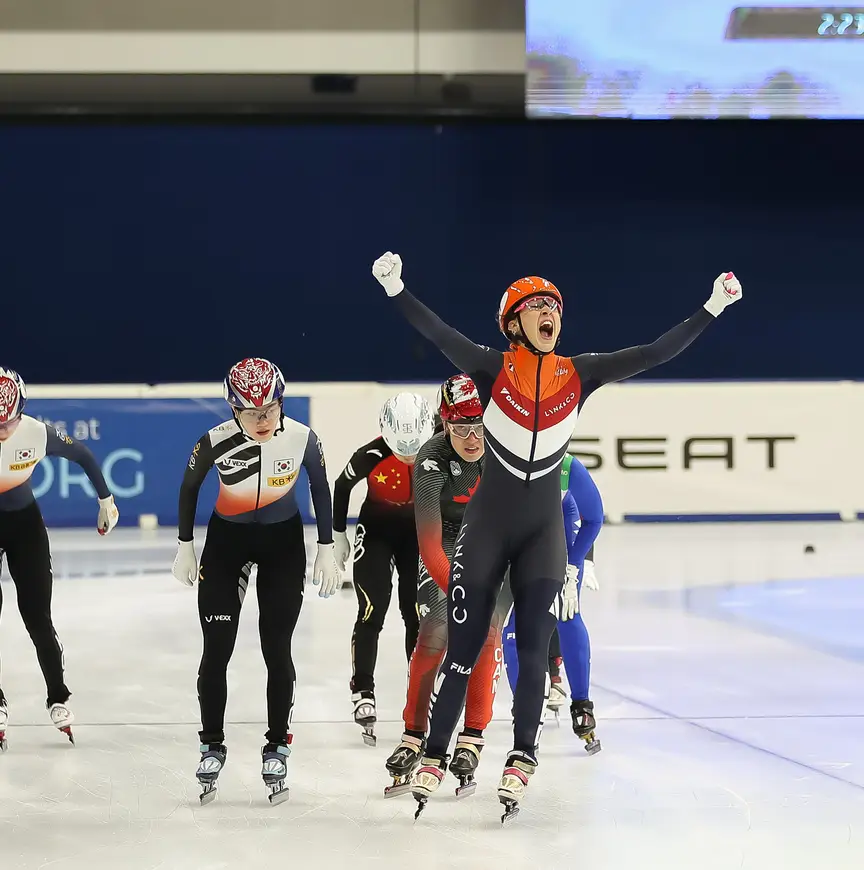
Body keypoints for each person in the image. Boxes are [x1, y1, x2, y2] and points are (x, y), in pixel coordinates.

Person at [371, 251, 742, 821]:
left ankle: (522, 753)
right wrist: (397, 289)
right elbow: (438, 332)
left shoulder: (581, 373)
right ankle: (436, 752)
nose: (550, 313)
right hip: (488, 528)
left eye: (555, 306)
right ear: (514, 322)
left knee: (534, 647)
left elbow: (654, 352)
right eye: (537, 306)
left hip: (542, 532)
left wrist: (712, 307)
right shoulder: (490, 368)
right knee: (465, 649)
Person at [172, 357, 340, 805]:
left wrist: (326, 545)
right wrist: (185, 545)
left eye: (270, 409)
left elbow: (321, 487)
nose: (262, 420)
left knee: (276, 648)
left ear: (281, 402)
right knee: (217, 649)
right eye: (251, 413)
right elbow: (189, 488)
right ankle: (211, 743)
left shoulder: (303, 438)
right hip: (226, 546)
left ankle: (277, 745)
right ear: (233, 410)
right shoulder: (214, 440)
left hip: (283, 547)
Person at [384, 374, 508, 799]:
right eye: (460, 427)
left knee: (486, 634)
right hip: (446, 544)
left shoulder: (502, 449)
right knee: (434, 633)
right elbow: (430, 544)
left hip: (494, 543)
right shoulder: (431, 457)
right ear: (443, 423)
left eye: (479, 426)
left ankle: (472, 734)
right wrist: (459, 593)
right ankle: (413, 734)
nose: (472, 439)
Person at [0, 367, 119, 751]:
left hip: (25, 529)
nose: (3, 431)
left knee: (38, 618)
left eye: (9, 422)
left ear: (21, 412)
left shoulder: (36, 433)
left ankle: (58, 695)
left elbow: (82, 454)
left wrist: (106, 500)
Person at [332, 392, 435, 746]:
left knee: (417, 614)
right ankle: (362, 688)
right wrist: (337, 536)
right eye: (400, 448)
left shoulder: (441, 444)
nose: (408, 455)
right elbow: (342, 485)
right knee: (371, 610)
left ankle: (420, 690)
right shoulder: (371, 454)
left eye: (414, 448)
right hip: (376, 532)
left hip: (417, 535)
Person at [503, 453, 604, 754]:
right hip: (513, 532)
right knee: (512, 625)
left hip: (560, 529)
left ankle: (582, 704)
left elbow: (593, 518)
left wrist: (577, 564)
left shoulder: (567, 466)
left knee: (567, 613)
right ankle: (525, 702)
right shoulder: (496, 458)